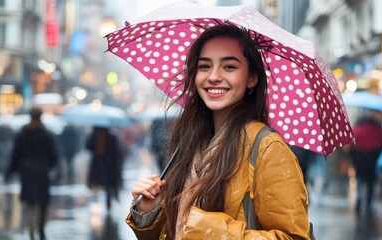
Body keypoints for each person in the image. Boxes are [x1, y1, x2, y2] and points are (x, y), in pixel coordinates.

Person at [126, 24, 310, 239]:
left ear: (252, 78)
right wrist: (150, 213)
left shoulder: (269, 149)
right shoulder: (191, 142)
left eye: (229, 67)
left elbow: (294, 236)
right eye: (204, 67)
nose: (213, 76)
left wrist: (211, 231)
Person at [5, 107, 59, 240]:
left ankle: (31, 231)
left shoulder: (22, 134)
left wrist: (10, 171)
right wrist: (51, 166)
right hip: (42, 173)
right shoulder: (46, 135)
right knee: (42, 202)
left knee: (30, 204)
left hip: (27, 173)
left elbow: (15, 156)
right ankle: (40, 228)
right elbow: (53, 155)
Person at [349, 110, 382, 213]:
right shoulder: (378, 130)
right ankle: (368, 202)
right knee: (370, 181)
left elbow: (351, 144)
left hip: (359, 158)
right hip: (372, 158)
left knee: (360, 179)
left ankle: (360, 195)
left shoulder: (356, 128)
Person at [86, 126, 124, 210]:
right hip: (99, 165)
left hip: (108, 166)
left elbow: (116, 153)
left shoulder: (111, 137)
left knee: (108, 186)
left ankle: (108, 202)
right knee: (98, 185)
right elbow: (88, 146)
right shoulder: (94, 137)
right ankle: (99, 203)